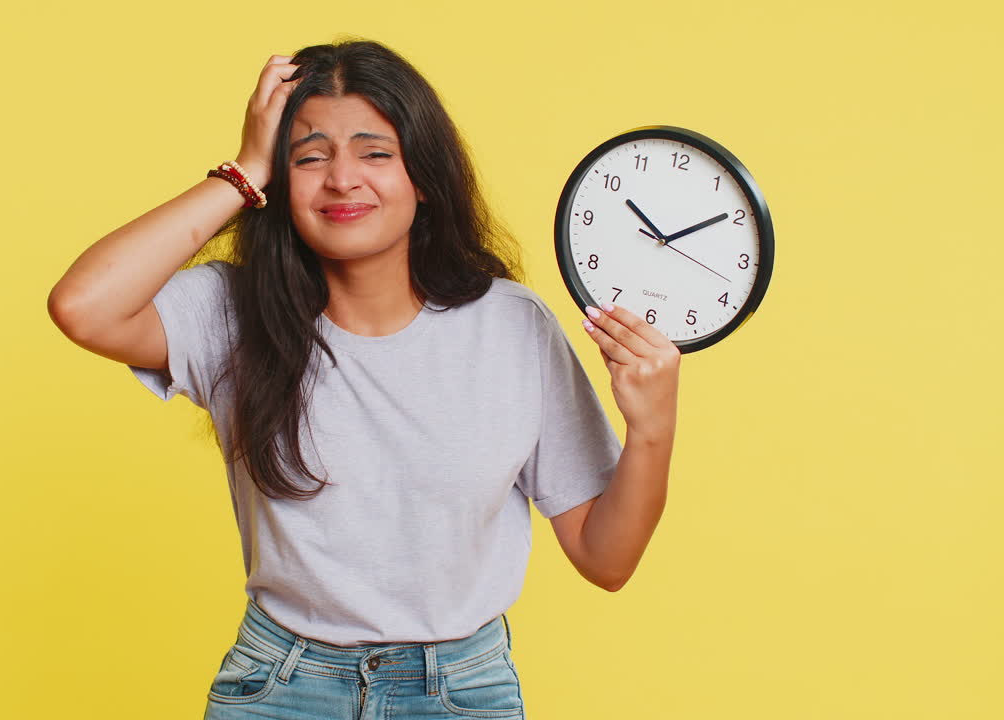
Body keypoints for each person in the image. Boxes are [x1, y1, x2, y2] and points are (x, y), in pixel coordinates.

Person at [48, 38, 679, 720]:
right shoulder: (233, 311)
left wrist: (653, 427)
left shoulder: (512, 327)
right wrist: (244, 169)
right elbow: (82, 306)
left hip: (461, 692)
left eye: (375, 153)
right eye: (309, 156)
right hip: (280, 686)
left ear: (424, 176)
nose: (342, 179)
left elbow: (605, 560)